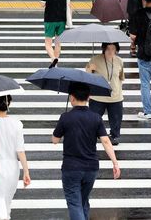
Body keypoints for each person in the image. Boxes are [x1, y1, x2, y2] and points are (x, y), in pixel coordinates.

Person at [52, 82, 121, 220]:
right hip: (91, 168)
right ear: (89, 97)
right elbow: (106, 141)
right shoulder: (96, 117)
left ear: (71, 98)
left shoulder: (66, 117)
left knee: (74, 203)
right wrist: (115, 163)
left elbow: (55, 140)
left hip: (71, 168)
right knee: (83, 201)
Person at [85, 42, 125, 145]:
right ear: (103, 49)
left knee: (116, 119)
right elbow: (86, 76)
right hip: (98, 96)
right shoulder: (95, 60)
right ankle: (92, 135)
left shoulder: (119, 61)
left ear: (116, 49)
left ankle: (114, 136)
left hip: (115, 96)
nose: (110, 51)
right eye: (108, 49)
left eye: (113, 49)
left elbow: (121, 77)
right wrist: (90, 69)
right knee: (93, 118)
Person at [41, 0, 69, 68]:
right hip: (61, 19)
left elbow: (42, 4)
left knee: (48, 43)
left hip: (50, 19)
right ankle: (55, 64)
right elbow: (68, 3)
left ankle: (53, 58)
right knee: (58, 42)